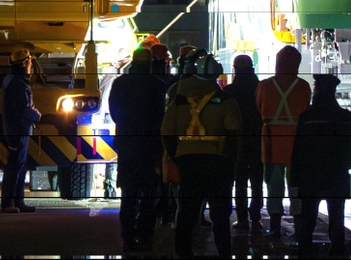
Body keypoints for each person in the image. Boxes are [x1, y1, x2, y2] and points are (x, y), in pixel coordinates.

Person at [161, 52, 241, 259]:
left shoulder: (178, 98)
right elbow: (234, 132)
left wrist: (176, 157)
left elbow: (167, 132)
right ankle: (224, 253)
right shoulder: (225, 99)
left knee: (185, 215)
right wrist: (228, 160)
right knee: (221, 216)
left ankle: (183, 254)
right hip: (217, 162)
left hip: (187, 162)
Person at [288, 73, 351, 258]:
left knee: (308, 221)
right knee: (337, 220)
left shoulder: (307, 117)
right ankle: (337, 253)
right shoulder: (345, 117)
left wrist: (294, 177)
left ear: (317, 91)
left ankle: (305, 253)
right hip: (336, 176)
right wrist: (346, 164)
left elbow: (297, 149)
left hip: (310, 176)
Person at [108, 47, 168, 256]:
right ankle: (145, 237)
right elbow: (162, 116)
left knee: (129, 195)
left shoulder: (120, 83)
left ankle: (128, 238)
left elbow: (114, 112)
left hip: (127, 144)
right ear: (150, 63)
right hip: (151, 147)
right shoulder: (157, 85)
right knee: (149, 195)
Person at [257, 43, 311, 238]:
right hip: (296, 146)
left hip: (271, 144)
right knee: (296, 187)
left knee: (273, 186)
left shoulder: (264, 85)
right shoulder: (303, 86)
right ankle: (299, 227)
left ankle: (274, 227)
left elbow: (258, 108)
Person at [0, 48, 42, 212]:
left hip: (15, 129)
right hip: (18, 130)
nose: (31, 65)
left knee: (18, 166)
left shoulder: (13, 81)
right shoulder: (18, 84)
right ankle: (9, 204)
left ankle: (18, 202)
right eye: (30, 62)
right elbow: (25, 109)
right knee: (15, 166)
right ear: (25, 63)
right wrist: (37, 115)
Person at [228, 54, 264, 241]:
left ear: (235, 69)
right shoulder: (260, 88)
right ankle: (256, 216)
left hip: (237, 140)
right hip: (258, 138)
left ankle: (242, 218)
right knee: (257, 178)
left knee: (240, 180)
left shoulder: (229, 90)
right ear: (252, 68)